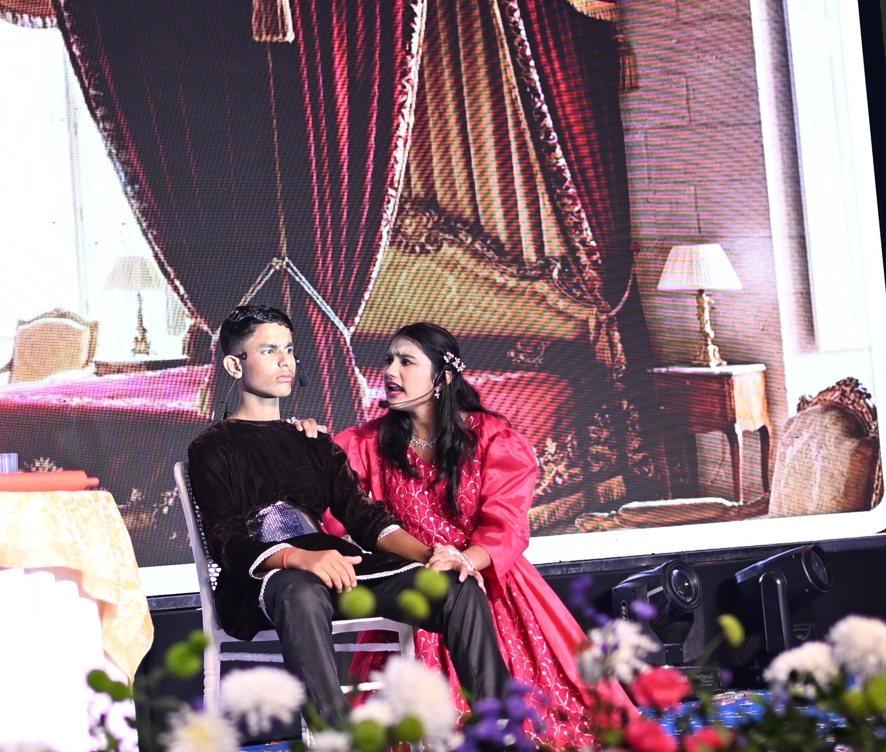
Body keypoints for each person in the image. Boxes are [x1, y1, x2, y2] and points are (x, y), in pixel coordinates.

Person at [186, 306, 511, 727]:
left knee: (457, 585)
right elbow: (225, 539)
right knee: (300, 592)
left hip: (340, 572)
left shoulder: (314, 441)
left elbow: (367, 519)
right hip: (266, 583)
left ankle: (497, 727)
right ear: (235, 365)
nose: (286, 361)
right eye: (269, 351)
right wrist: (297, 558)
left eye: (289, 349)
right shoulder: (212, 447)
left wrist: (434, 556)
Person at [333, 321, 616, 747]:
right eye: (389, 359)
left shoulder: (492, 438)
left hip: (487, 581)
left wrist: (464, 560)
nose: (390, 370)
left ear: (443, 378)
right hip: (413, 587)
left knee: (547, 723)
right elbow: (336, 509)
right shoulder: (366, 444)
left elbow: (507, 525)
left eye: (406, 361)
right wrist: (306, 439)